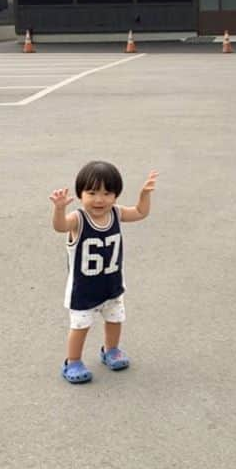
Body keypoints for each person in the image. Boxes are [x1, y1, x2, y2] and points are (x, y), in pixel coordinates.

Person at [49, 161, 158, 384]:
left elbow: (139, 212)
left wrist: (144, 195)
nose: (99, 199)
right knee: (80, 327)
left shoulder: (116, 214)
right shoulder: (78, 220)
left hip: (111, 286)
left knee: (115, 320)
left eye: (107, 193)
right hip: (83, 291)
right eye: (92, 193)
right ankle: (73, 361)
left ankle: (111, 350)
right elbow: (60, 226)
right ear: (80, 194)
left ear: (116, 196)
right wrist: (59, 209)